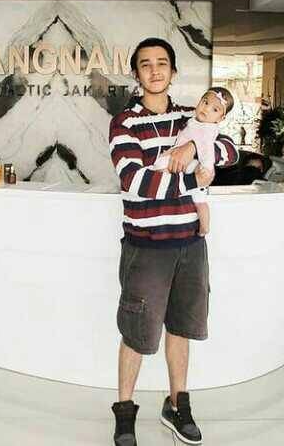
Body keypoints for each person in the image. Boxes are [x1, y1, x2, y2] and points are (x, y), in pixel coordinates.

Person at [108, 37, 238, 446]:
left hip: (189, 244)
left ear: (174, 71)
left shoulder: (191, 115)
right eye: (145, 64)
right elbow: (134, 181)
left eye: (162, 63)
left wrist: (193, 144)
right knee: (137, 333)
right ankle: (124, 412)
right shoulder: (124, 122)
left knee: (180, 327)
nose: (154, 70)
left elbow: (230, 150)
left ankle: (177, 404)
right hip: (146, 245)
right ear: (136, 73)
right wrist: (191, 178)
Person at [152, 87, 235, 235]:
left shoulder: (208, 128)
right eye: (205, 102)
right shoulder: (192, 119)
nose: (206, 109)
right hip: (184, 163)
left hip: (196, 166)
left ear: (220, 118)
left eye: (215, 109)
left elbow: (215, 151)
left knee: (199, 200)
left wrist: (202, 162)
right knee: (198, 200)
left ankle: (205, 227)